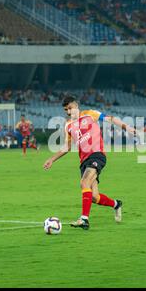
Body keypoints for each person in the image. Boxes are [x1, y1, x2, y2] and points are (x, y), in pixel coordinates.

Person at [43, 96, 136, 230]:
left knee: (84, 182)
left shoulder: (89, 114)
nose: (68, 112)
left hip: (97, 155)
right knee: (94, 197)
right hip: (84, 161)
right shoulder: (68, 126)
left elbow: (111, 119)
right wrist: (52, 159)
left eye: (70, 108)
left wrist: (126, 127)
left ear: (76, 105)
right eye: (66, 110)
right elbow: (67, 147)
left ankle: (84, 219)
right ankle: (116, 204)